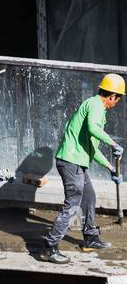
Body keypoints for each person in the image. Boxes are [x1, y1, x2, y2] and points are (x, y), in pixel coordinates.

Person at [36, 73, 125, 264]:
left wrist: (111, 168)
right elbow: (94, 129)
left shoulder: (94, 108)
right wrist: (113, 144)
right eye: (117, 100)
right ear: (112, 96)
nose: (115, 104)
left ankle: (90, 237)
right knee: (72, 205)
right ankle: (49, 248)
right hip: (71, 163)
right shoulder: (96, 106)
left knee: (89, 196)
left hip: (76, 163)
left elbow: (92, 148)